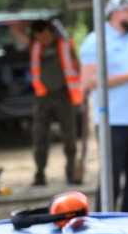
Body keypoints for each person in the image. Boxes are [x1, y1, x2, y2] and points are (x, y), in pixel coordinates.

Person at [80, 0, 128, 213]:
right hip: (113, 121)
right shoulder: (96, 41)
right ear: (118, 12)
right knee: (110, 180)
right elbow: (88, 81)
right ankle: (105, 227)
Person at [10, 19, 83, 186]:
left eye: (46, 35)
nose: (44, 39)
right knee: (40, 135)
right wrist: (31, 21)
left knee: (69, 135)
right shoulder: (35, 47)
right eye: (39, 36)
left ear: (51, 32)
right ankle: (40, 174)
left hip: (64, 95)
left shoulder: (65, 45)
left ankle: (71, 172)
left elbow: (77, 66)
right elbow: (15, 29)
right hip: (43, 98)